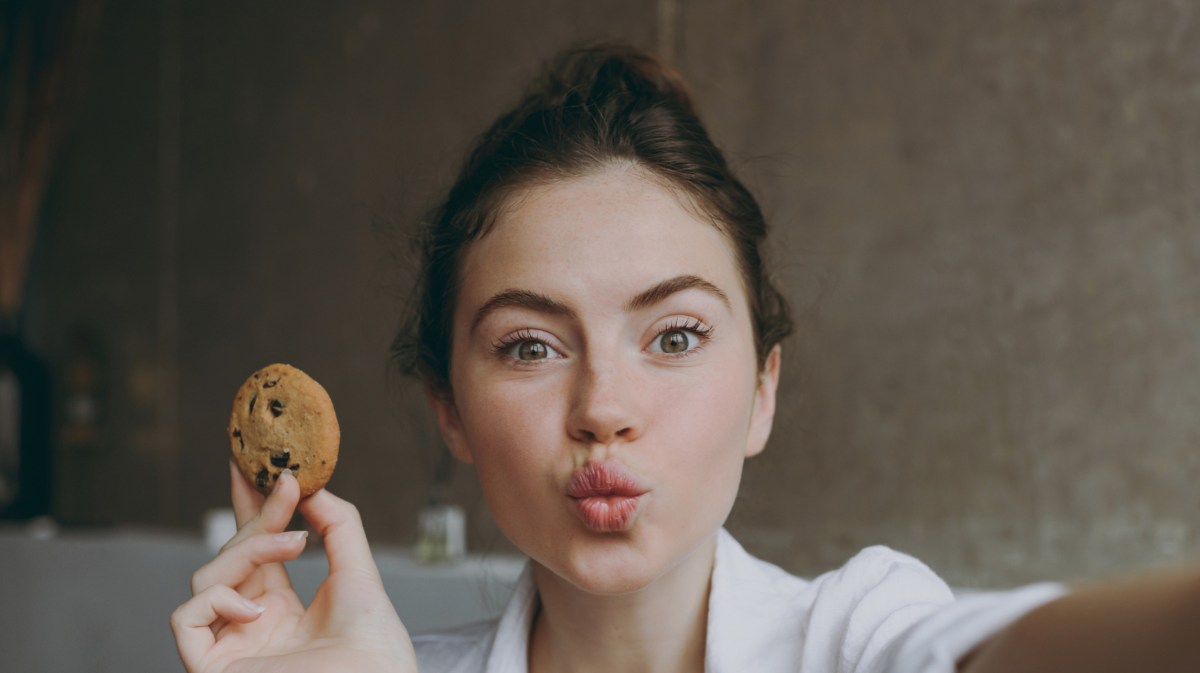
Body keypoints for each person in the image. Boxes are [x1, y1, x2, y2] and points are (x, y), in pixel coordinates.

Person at [171, 44, 1200, 673]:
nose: (604, 408)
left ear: (763, 391)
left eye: (675, 335)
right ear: (449, 409)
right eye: (529, 344)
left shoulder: (855, 638)